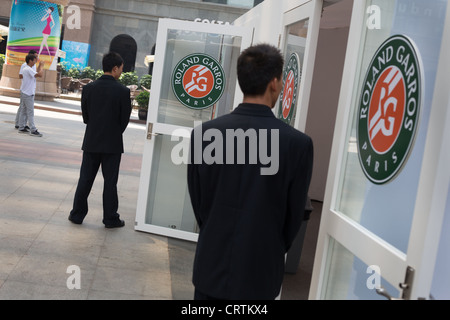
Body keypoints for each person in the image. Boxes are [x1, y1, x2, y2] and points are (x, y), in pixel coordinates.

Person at [187, 44, 314, 300]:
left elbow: (200, 202)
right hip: (261, 271)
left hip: (211, 266)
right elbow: (293, 217)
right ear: (275, 83)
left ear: (241, 79)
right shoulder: (297, 144)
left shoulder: (205, 134)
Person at [68, 52, 131, 228]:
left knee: (85, 179)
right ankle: (110, 218)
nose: (121, 72)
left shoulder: (89, 88)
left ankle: (77, 214)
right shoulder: (123, 92)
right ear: (115, 68)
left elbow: (86, 116)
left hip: (92, 141)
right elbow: (124, 120)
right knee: (110, 182)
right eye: (121, 69)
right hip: (113, 144)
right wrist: (113, 131)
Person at [17, 53, 44, 137]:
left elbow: (36, 73)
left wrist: (39, 65)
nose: (35, 61)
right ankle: (33, 129)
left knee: (24, 110)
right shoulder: (28, 69)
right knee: (30, 112)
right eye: (34, 60)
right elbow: (40, 74)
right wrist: (42, 66)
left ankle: (21, 127)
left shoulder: (27, 69)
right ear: (30, 60)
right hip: (28, 93)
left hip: (25, 92)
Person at [15, 50, 38, 129]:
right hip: (25, 90)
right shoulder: (25, 66)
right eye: (35, 57)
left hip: (31, 90)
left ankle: (23, 125)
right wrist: (27, 77)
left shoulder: (33, 66)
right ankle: (18, 123)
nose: (36, 59)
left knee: (25, 109)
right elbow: (20, 75)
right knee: (23, 108)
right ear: (30, 58)